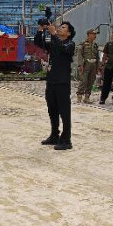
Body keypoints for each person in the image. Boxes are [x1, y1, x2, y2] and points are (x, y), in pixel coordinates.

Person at [35, 20, 76, 150]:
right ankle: (54, 135)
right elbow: (38, 43)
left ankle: (66, 139)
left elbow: (61, 48)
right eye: (59, 27)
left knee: (64, 111)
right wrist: (41, 30)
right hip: (51, 80)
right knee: (52, 110)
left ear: (68, 33)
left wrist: (53, 34)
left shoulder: (70, 44)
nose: (59, 28)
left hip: (62, 82)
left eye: (63, 27)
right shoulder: (54, 42)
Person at [76, 29, 99, 104]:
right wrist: (80, 65)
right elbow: (79, 55)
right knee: (83, 80)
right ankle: (79, 96)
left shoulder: (95, 45)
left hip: (93, 64)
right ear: (89, 34)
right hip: (86, 64)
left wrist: (98, 66)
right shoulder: (83, 44)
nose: (95, 36)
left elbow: (97, 56)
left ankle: (87, 97)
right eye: (93, 34)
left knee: (91, 81)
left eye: (95, 34)